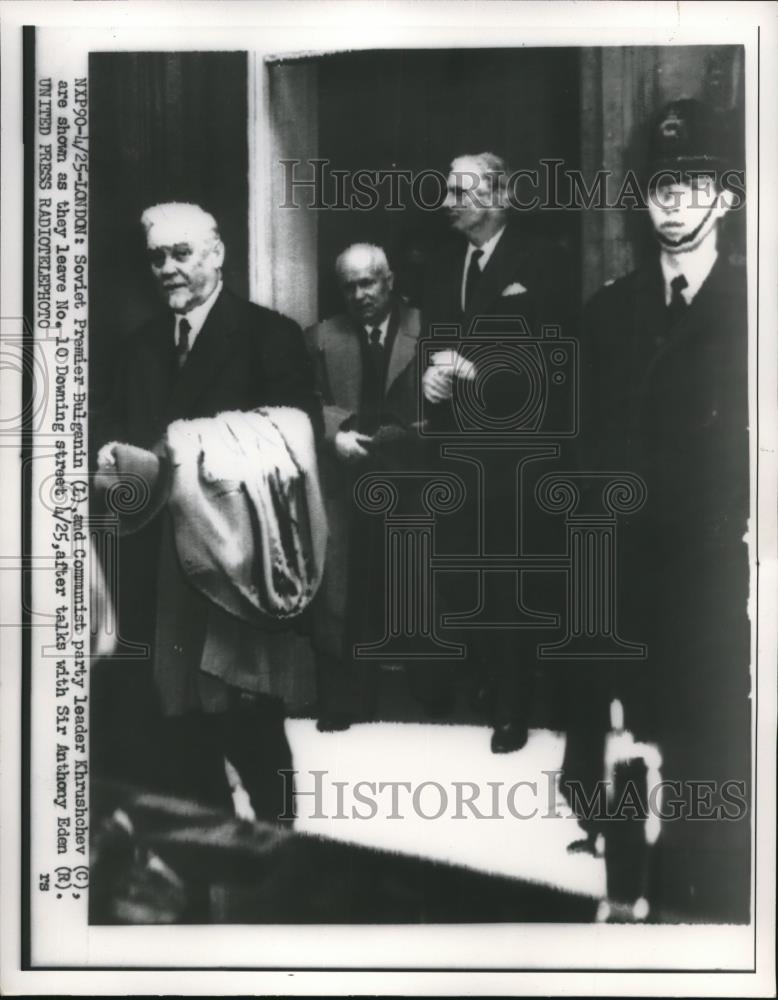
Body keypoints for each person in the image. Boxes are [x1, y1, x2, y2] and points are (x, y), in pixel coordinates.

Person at [577, 100, 750, 921]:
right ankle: (633, 909)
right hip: (629, 595)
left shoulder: (759, 310)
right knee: (620, 777)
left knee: (714, 779)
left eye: (692, 184)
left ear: (729, 196)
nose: (673, 202)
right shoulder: (608, 314)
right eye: (657, 186)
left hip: (728, 600)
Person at [93, 201, 320, 824]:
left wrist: (188, 450)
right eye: (157, 257)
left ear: (217, 254)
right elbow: (107, 432)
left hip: (231, 571)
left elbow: (296, 436)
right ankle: (209, 862)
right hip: (154, 572)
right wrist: (112, 456)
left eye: (181, 254)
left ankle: (281, 855)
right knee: (175, 738)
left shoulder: (270, 335)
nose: (167, 268)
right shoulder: (136, 348)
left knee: (250, 727)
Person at [420, 152, 573, 753]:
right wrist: (431, 381)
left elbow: (557, 360)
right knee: (462, 575)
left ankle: (513, 708)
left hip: (520, 456)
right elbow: (435, 349)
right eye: (447, 189)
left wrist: (476, 371)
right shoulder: (439, 267)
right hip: (455, 454)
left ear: (501, 195)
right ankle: (487, 677)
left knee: (510, 581)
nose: (448, 201)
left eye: (462, 190)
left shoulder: (544, 261)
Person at [306, 243, 445, 730]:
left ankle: (432, 693)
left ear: (389, 281)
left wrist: (415, 434)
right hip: (349, 480)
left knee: (418, 584)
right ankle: (348, 700)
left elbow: (453, 409)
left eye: (369, 282)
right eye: (350, 285)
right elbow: (303, 400)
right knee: (346, 590)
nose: (360, 294)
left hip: (414, 479)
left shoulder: (429, 329)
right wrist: (335, 432)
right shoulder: (321, 338)